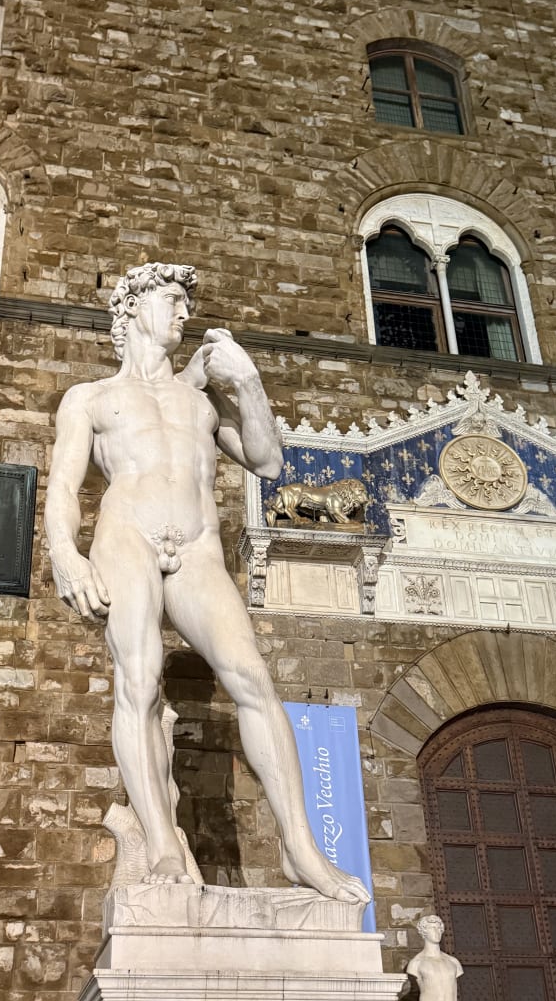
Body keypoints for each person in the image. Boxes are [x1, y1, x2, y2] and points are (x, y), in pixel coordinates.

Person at [44, 261, 369, 906]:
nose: (185, 312)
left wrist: (247, 387)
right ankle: (164, 844)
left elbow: (269, 461)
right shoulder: (90, 397)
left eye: (187, 303)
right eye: (172, 299)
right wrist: (65, 555)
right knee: (138, 680)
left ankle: (300, 846)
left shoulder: (199, 402)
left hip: (196, 547)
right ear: (134, 307)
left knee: (252, 677)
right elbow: (62, 486)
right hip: (127, 536)